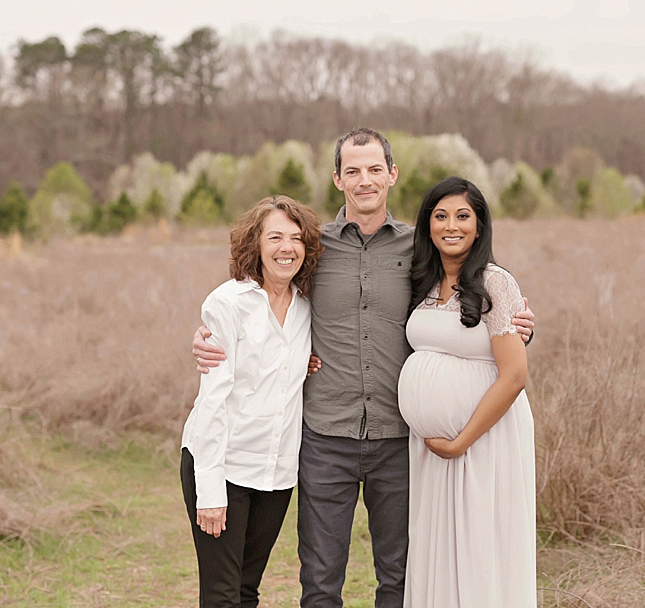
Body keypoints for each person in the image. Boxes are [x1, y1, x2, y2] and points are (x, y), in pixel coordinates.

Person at [192, 128, 535, 607]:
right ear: (337, 179)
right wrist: (208, 334)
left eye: (375, 169)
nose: (364, 180)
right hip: (324, 437)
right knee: (319, 580)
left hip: (399, 440)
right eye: (352, 170)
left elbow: (469, 295)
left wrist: (519, 323)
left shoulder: (423, 249)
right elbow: (264, 290)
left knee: (398, 575)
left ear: (392, 174)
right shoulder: (314, 248)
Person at [399, 176, 535, 607]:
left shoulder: (495, 283)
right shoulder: (423, 280)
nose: (451, 225)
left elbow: (514, 375)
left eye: (463, 216)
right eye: (440, 216)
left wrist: (461, 442)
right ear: (428, 225)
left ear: (479, 226)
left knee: (479, 547)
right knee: (438, 548)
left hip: (483, 442)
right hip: (432, 451)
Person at [181, 195, 322, 608]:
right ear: (255, 245)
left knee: (246, 590)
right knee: (222, 595)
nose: (287, 247)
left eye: (296, 238)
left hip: (276, 473)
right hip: (223, 466)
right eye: (275, 236)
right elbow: (213, 401)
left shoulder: (307, 306)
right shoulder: (228, 304)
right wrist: (209, 489)